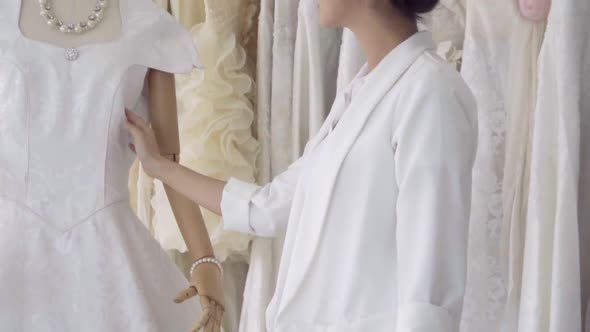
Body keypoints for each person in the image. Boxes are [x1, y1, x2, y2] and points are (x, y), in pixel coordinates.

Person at [126, 0, 478, 330]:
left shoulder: (429, 91)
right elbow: (267, 207)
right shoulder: (359, 93)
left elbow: (430, 288)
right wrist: (159, 166)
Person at [0, 0, 223, 331]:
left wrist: (205, 261)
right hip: (13, 253)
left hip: (109, 256)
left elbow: (167, 162)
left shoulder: (148, 27)